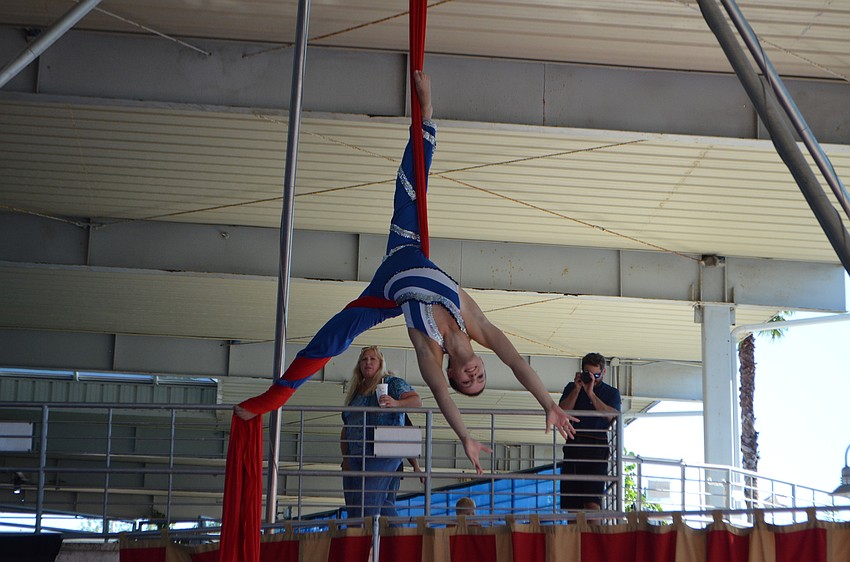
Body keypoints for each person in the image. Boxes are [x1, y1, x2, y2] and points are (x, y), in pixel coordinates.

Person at [235, 70, 577, 473]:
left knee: (331, 341)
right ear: (482, 364)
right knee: (411, 186)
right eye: (481, 376)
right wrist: (548, 403)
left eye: (467, 381)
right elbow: (519, 365)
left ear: (452, 373)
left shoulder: (430, 352)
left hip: (386, 293)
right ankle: (426, 115)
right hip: (407, 250)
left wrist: (465, 436)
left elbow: (442, 399)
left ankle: (270, 399)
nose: (473, 375)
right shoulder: (477, 324)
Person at [340, 345, 421, 517]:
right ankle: (393, 532)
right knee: (361, 503)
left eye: (372, 359)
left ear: (381, 363)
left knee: (368, 500)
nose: (367, 362)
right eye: (364, 359)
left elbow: (416, 401)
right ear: (359, 365)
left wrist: (396, 403)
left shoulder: (392, 383)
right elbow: (347, 426)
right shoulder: (356, 392)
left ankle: (367, 533)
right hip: (356, 455)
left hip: (384, 451)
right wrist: (346, 457)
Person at [558, 352, 622, 511]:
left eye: (597, 375)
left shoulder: (611, 393)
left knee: (592, 503)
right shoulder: (572, 387)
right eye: (589, 374)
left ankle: (594, 528)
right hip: (574, 443)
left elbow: (613, 417)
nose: (593, 378)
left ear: (604, 372)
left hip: (597, 446)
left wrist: (591, 393)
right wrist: (577, 389)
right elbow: (561, 412)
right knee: (572, 505)